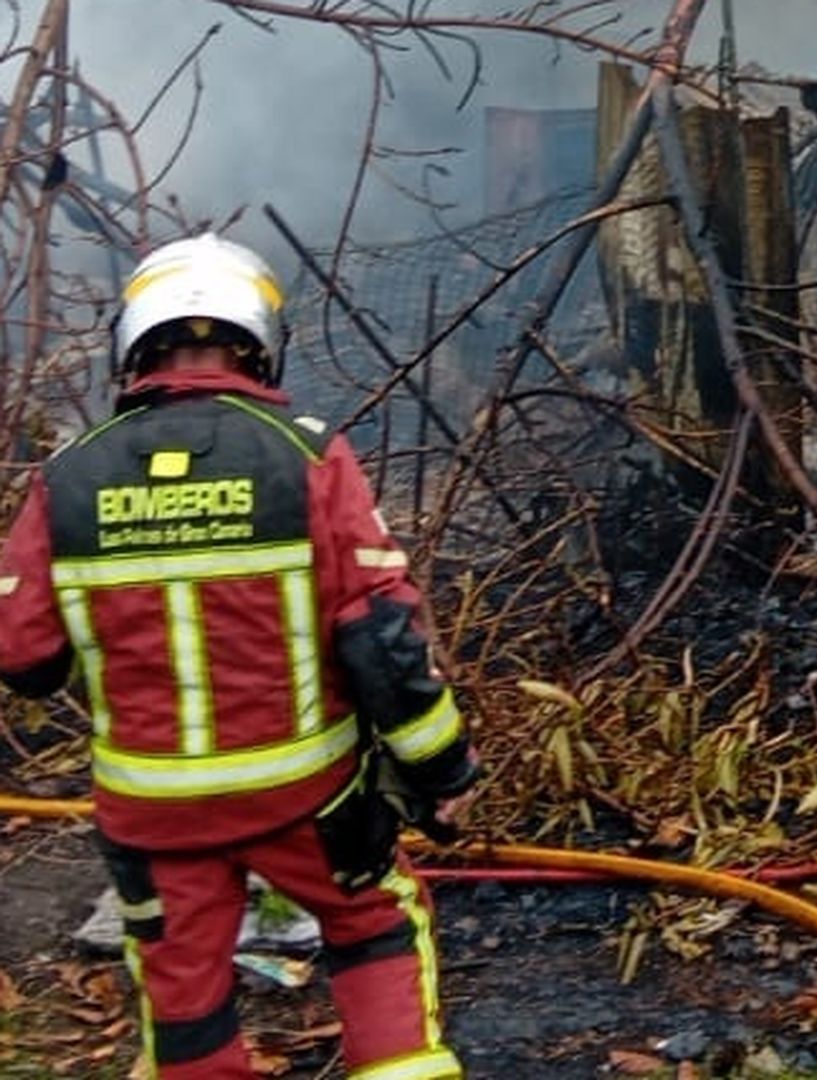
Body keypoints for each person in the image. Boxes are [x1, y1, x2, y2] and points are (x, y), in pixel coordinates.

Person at [0, 234, 476, 1079]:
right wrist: (442, 776)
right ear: (258, 339)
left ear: (134, 342)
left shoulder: (66, 477)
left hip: (152, 818)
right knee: (373, 923)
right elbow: (380, 639)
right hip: (305, 799)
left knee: (183, 1000)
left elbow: (24, 655)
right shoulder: (305, 456)